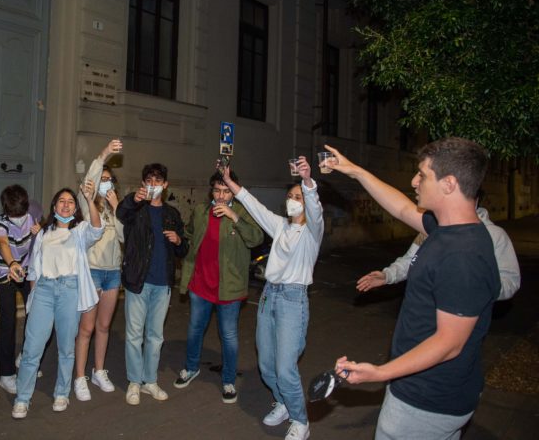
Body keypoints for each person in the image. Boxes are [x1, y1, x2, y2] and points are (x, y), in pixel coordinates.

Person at [328, 138, 500, 440]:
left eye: (422, 175)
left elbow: (449, 343)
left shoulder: (463, 256)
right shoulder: (447, 229)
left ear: (449, 184)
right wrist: (354, 171)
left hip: (426, 402)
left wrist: (380, 372)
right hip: (425, 393)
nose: (414, 182)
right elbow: (402, 208)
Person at [220, 157, 322, 440]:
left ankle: (301, 420)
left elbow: (315, 209)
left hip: (293, 300)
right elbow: (253, 205)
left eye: (298, 197)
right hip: (268, 297)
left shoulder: (312, 232)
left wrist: (307, 182)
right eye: (290, 196)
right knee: (266, 364)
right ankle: (283, 403)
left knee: (285, 367)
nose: (292, 200)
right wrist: (229, 182)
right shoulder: (279, 226)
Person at [11, 183, 103, 418]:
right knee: (32, 348)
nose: (66, 205)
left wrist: (89, 199)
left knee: (66, 347)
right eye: (61, 201)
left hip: (69, 290)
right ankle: (22, 398)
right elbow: (34, 269)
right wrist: (34, 296)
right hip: (44, 290)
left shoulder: (80, 231)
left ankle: (62, 393)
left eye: (70, 202)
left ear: (75, 208)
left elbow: (97, 228)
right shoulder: (43, 233)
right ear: (54, 206)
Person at [174, 170, 263, 404]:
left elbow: (256, 238)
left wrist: (234, 216)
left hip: (229, 287)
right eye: (217, 190)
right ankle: (191, 367)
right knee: (195, 329)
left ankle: (228, 380)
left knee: (229, 335)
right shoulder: (201, 211)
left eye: (226, 191)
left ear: (233, 191)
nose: (221, 196)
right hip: (200, 284)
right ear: (211, 191)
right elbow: (190, 233)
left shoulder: (243, 211)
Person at [116, 163, 189, 406]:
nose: (153, 185)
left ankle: (150, 380)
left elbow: (183, 249)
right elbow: (121, 213)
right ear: (143, 184)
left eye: (158, 181)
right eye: (149, 181)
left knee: (155, 336)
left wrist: (178, 241)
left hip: (162, 283)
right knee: (134, 335)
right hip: (138, 281)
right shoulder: (136, 209)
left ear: (165, 185)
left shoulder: (172, 214)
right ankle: (134, 382)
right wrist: (133, 199)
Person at [356, 201, 520, 301]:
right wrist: (388, 275)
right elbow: (411, 260)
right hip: (424, 316)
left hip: (463, 322)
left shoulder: (494, 235)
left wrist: (475, 286)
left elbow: (510, 282)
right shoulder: (431, 228)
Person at [74, 139, 125, 401]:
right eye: (102, 179)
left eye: (109, 180)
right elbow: (88, 181)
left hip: (112, 273)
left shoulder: (118, 209)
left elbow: (125, 237)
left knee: (104, 326)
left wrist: (118, 208)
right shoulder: (87, 205)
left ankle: (99, 371)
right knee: (87, 328)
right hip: (92, 271)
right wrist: (104, 154)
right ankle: (79, 377)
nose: (105, 182)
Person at [0, 184, 42, 394]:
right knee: (8, 320)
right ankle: (6, 373)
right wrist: (12, 263)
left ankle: (25, 356)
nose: (19, 217)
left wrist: (39, 232)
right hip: (4, 273)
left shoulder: (33, 212)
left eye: (21, 212)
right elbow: (2, 243)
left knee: (35, 313)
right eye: (14, 214)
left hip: (26, 269)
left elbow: (43, 234)